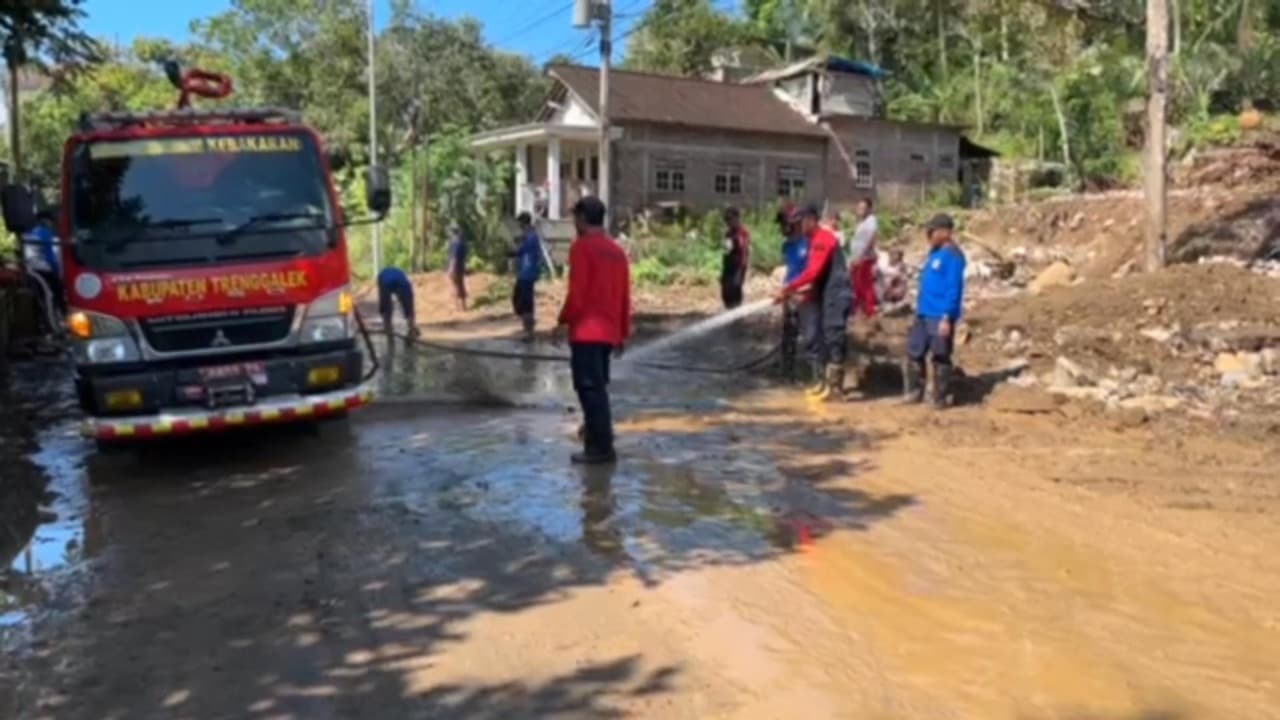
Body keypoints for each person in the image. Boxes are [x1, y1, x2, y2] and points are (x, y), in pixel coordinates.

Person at [555, 196, 631, 465]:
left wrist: (562, 320)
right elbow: (624, 296)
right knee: (598, 390)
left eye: (575, 218)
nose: (574, 223)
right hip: (608, 333)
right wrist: (622, 333)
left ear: (582, 219)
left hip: (586, 332)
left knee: (589, 390)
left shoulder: (581, 248)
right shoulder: (617, 251)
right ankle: (597, 439)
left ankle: (600, 448)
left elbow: (577, 295)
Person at [777, 204, 852, 402]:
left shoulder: (823, 239)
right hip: (827, 293)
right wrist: (798, 293)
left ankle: (835, 389)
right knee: (824, 336)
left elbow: (812, 272)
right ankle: (824, 384)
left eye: (800, 222)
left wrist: (788, 288)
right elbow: (816, 277)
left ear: (810, 220)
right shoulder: (813, 241)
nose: (797, 227)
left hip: (837, 293)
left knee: (833, 335)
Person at [905, 213, 966, 408]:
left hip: (940, 314)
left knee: (940, 355)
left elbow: (953, 288)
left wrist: (947, 317)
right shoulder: (934, 253)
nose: (929, 235)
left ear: (945, 232)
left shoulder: (953, 257)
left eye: (933, 231)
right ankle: (914, 392)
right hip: (924, 312)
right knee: (914, 351)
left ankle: (940, 397)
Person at [778, 207, 809, 380]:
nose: (783, 229)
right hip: (789, 293)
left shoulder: (808, 243)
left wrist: (802, 291)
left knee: (807, 334)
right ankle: (787, 369)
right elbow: (789, 269)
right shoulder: (787, 245)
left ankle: (811, 371)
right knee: (788, 333)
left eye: (785, 225)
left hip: (804, 294)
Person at [509, 212, 543, 341]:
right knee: (519, 299)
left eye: (520, 224)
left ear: (524, 223)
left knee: (525, 302)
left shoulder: (531, 237)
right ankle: (527, 326)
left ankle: (529, 331)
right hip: (525, 272)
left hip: (528, 273)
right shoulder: (530, 235)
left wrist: (513, 252)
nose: (520, 227)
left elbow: (522, 250)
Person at [23, 211, 65, 316]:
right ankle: (62, 315)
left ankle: (43, 318)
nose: (52, 224)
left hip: (31, 271)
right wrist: (57, 272)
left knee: (39, 297)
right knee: (58, 293)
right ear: (45, 221)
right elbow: (49, 256)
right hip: (44, 270)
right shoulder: (45, 233)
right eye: (51, 221)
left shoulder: (29, 233)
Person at [847, 198, 879, 321]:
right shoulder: (862, 222)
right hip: (857, 258)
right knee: (856, 285)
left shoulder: (871, 221)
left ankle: (869, 311)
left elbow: (871, 239)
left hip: (864, 259)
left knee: (865, 285)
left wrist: (861, 257)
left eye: (863, 208)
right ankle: (857, 310)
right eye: (859, 208)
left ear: (869, 209)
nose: (860, 210)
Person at [720, 207, 751, 309]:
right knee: (725, 289)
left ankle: (737, 309)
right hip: (729, 265)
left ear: (737, 218)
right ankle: (729, 309)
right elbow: (726, 251)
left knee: (735, 287)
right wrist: (724, 269)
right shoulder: (728, 234)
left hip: (739, 264)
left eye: (730, 219)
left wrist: (743, 268)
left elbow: (745, 250)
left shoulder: (743, 232)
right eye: (726, 220)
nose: (728, 222)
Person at [376, 266, 419, 340]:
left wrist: (383, 310)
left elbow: (382, 302)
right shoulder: (399, 273)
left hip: (388, 283)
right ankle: (412, 329)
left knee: (386, 310)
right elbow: (406, 300)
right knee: (409, 310)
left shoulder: (381, 276)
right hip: (404, 284)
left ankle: (389, 333)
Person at [446, 224, 469, 311]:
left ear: (452, 232)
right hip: (461, 266)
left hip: (455, 267)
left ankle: (457, 306)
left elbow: (454, 257)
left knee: (455, 286)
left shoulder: (455, 243)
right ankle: (463, 305)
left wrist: (451, 268)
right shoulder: (463, 243)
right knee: (461, 285)